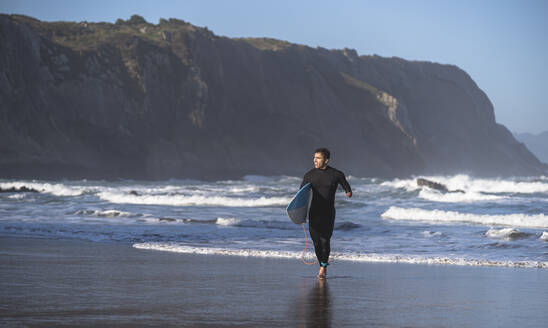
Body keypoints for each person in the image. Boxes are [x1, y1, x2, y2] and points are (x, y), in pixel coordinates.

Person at [300, 148, 352, 279]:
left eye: (318, 158)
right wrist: (300, 214)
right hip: (314, 213)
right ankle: (322, 263)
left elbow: (346, 186)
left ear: (326, 160)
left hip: (328, 213)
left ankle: (323, 268)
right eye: (314, 157)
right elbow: (301, 196)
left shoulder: (336, 174)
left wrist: (348, 192)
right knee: (316, 242)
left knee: (325, 240)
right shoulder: (309, 175)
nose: (314, 160)